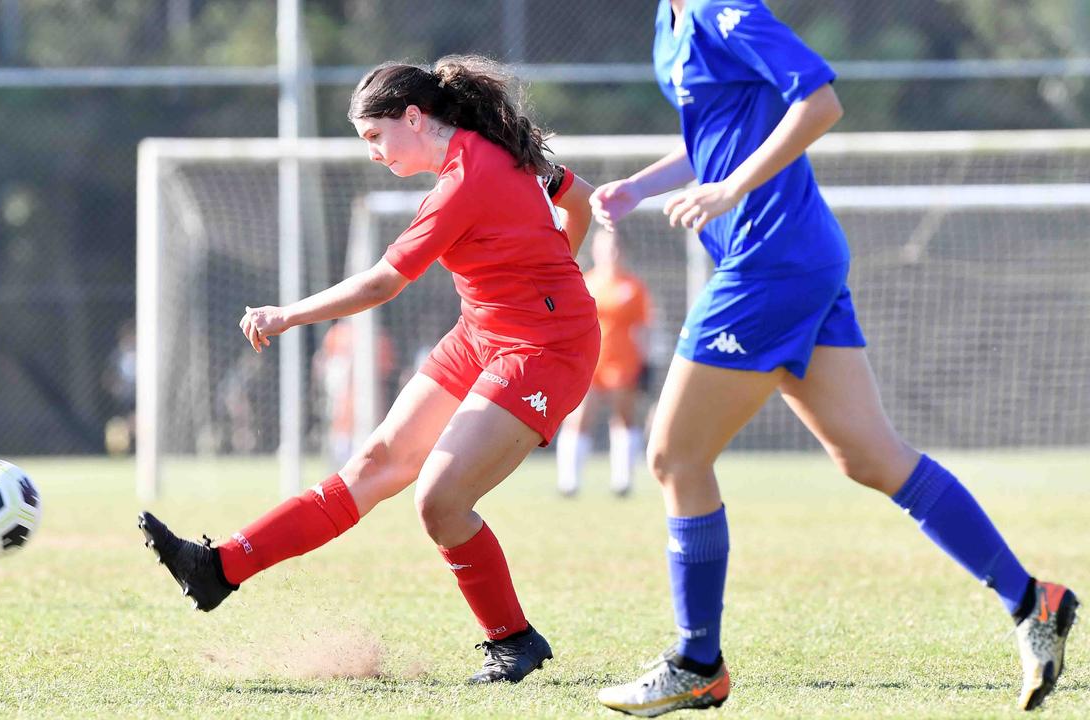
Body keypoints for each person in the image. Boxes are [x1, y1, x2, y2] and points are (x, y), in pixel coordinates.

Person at [591, 2, 1077, 715]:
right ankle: (1033, 601)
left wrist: (733, 189)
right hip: (796, 259)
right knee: (872, 457)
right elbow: (724, 134)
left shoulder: (721, 9)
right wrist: (641, 185)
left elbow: (819, 101)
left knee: (674, 459)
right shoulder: (670, 23)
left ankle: (698, 663)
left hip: (771, 264)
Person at [139, 55, 599, 684]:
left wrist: (285, 315)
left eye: (376, 137)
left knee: (440, 500)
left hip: (546, 348)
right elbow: (578, 200)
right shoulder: (490, 154)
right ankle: (218, 568)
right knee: (375, 464)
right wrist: (550, 266)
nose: (374, 153)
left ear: (414, 117)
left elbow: (384, 283)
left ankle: (514, 641)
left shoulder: (468, 177)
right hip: (481, 333)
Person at [556, 228, 651, 497]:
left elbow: (644, 327)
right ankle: (569, 482)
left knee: (623, 418)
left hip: (623, 362)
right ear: (596, 250)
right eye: (605, 247)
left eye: (616, 247)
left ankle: (622, 481)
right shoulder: (585, 282)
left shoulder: (633, 287)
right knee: (579, 417)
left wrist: (645, 363)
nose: (611, 253)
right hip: (589, 361)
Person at [313, 318, 396, 468]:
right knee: (341, 448)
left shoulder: (376, 334)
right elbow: (323, 361)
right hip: (341, 402)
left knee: (369, 455)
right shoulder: (337, 333)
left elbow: (386, 368)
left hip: (370, 401)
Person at [102, 320, 136, 456]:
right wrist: (115, 387)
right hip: (124, 398)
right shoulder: (117, 356)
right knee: (123, 424)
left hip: (140, 397)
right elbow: (108, 377)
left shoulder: (147, 354)